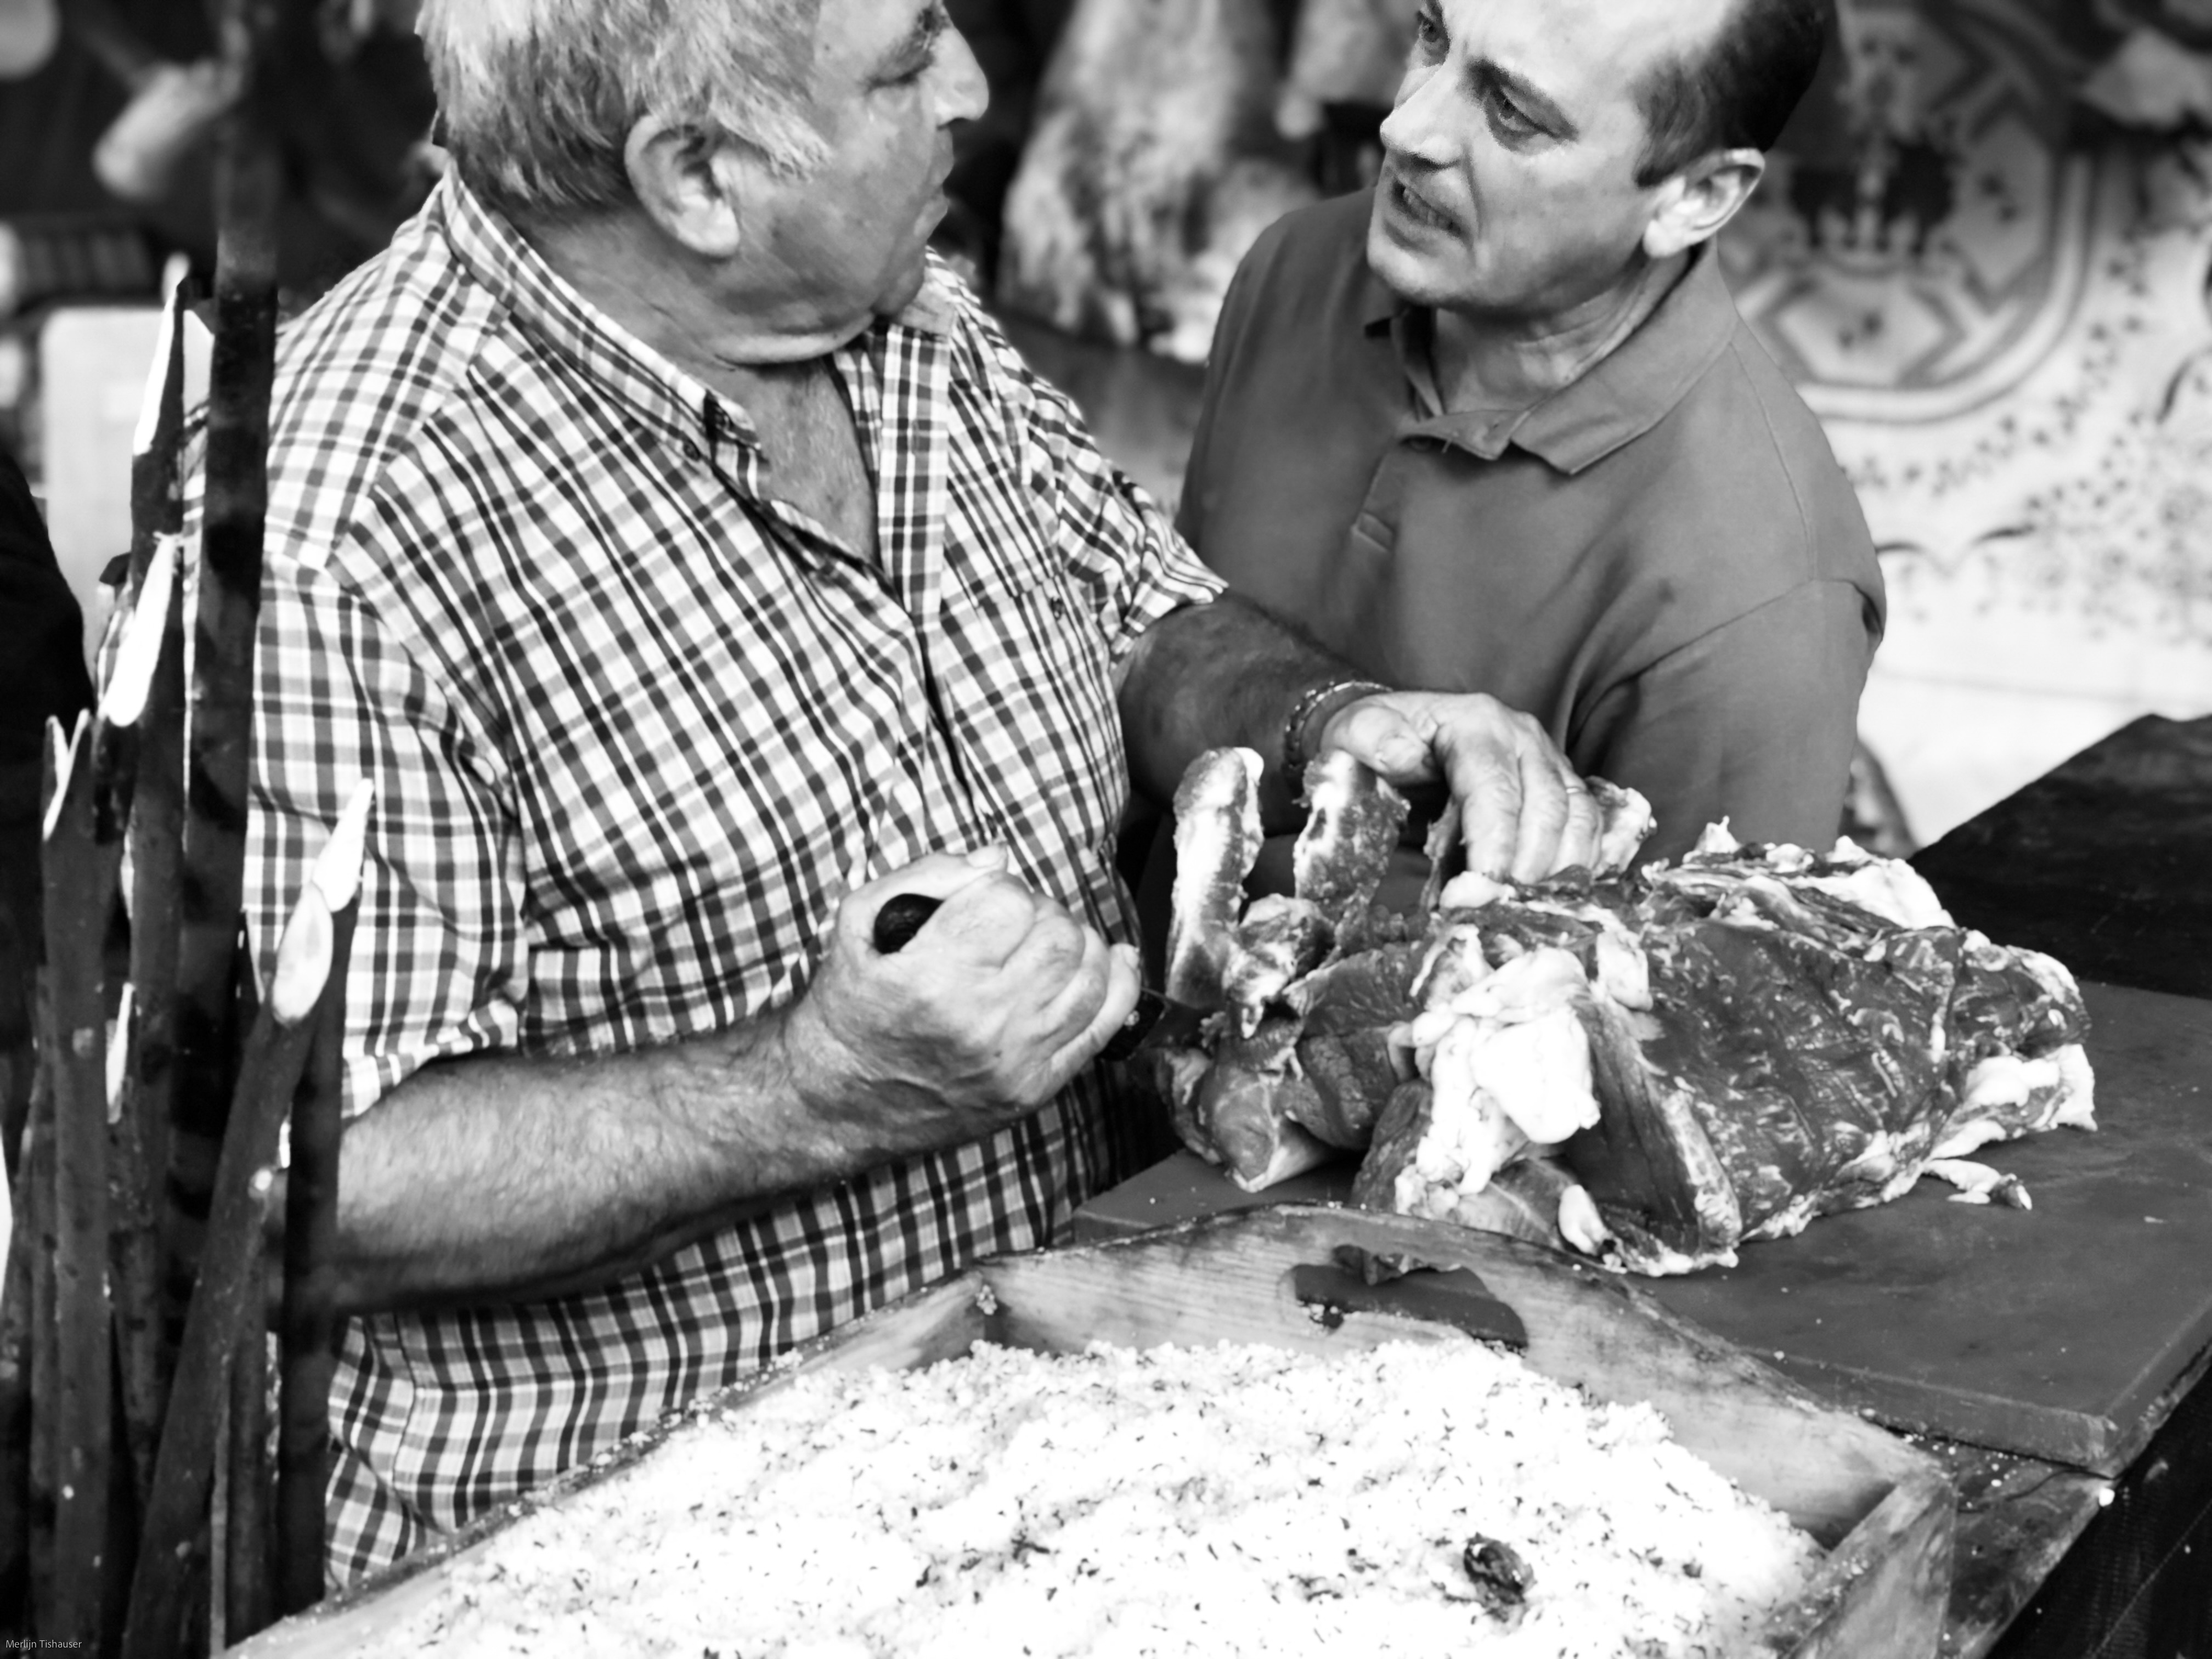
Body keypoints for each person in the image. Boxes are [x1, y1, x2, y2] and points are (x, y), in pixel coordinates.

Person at [212, 0, 1603, 1583]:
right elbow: (311, 1189)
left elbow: (1136, 609)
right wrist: (810, 1091)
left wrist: (1337, 721)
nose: (973, 89)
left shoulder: (895, 315)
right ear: (698, 177)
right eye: (908, 56)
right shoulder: (341, 534)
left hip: (1076, 1434)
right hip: (666, 1548)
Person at [1173, 0, 1884, 892]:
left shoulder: (1759, 600)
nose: (1406, 126)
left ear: (1694, 197)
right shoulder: (1302, 262)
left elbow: (1685, 1008)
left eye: (1513, 113)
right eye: (1433, 34)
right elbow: (1169, 633)